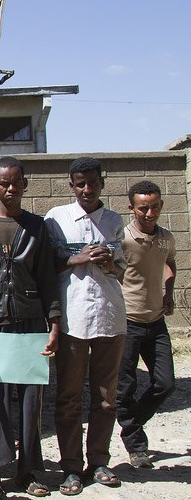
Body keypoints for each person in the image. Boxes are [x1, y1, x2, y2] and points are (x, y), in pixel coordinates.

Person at [0, 157, 61, 498]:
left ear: (25, 184)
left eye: (17, 183)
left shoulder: (38, 227)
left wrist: (54, 323)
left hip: (30, 323)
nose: (11, 189)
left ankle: (28, 471)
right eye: (4, 184)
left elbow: (48, 280)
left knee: (30, 402)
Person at [44, 157, 127, 495]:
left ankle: (99, 461)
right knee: (69, 397)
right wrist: (74, 258)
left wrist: (110, 262)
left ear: (101, 183)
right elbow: (46, 265)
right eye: (80, 184)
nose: (87, 189)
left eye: (93, 183)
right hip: (73, 318)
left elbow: (123, 270)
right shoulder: (57, 219)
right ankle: (71, 467)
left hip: (110, 316)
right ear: (71, 185)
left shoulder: (114, 221)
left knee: (107, 398)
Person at [118, 180, 178, 470]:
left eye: (154, 206)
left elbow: (170, 262)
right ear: (132, 208)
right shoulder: (123, 238)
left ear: (161, 206)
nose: (149, 213)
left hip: (156, 323)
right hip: (128, 323)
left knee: (165, 384)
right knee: (123, 389)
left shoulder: (167, 237)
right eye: (143, 208)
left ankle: (129, 427)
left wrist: (169, 291)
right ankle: (137, 446)